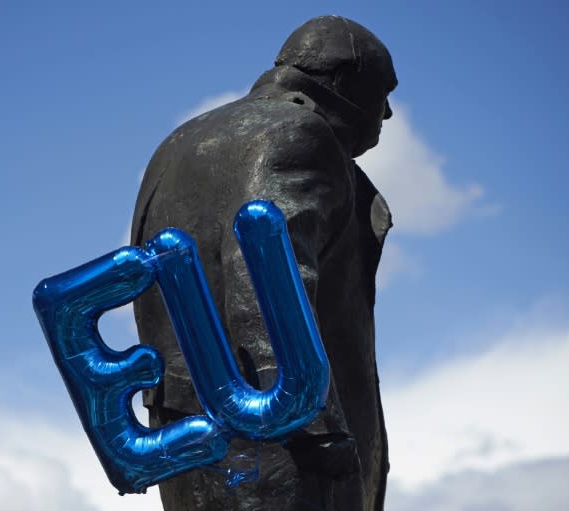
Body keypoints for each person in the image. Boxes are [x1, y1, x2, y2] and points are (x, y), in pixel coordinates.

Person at [131, 15, 398, 511]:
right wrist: (314, 429)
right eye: (384, 95)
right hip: (280, 452)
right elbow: (268, 277)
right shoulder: (299, 133)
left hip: (188, 442)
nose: (386, 116)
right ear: (346, 83)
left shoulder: (178, 142)